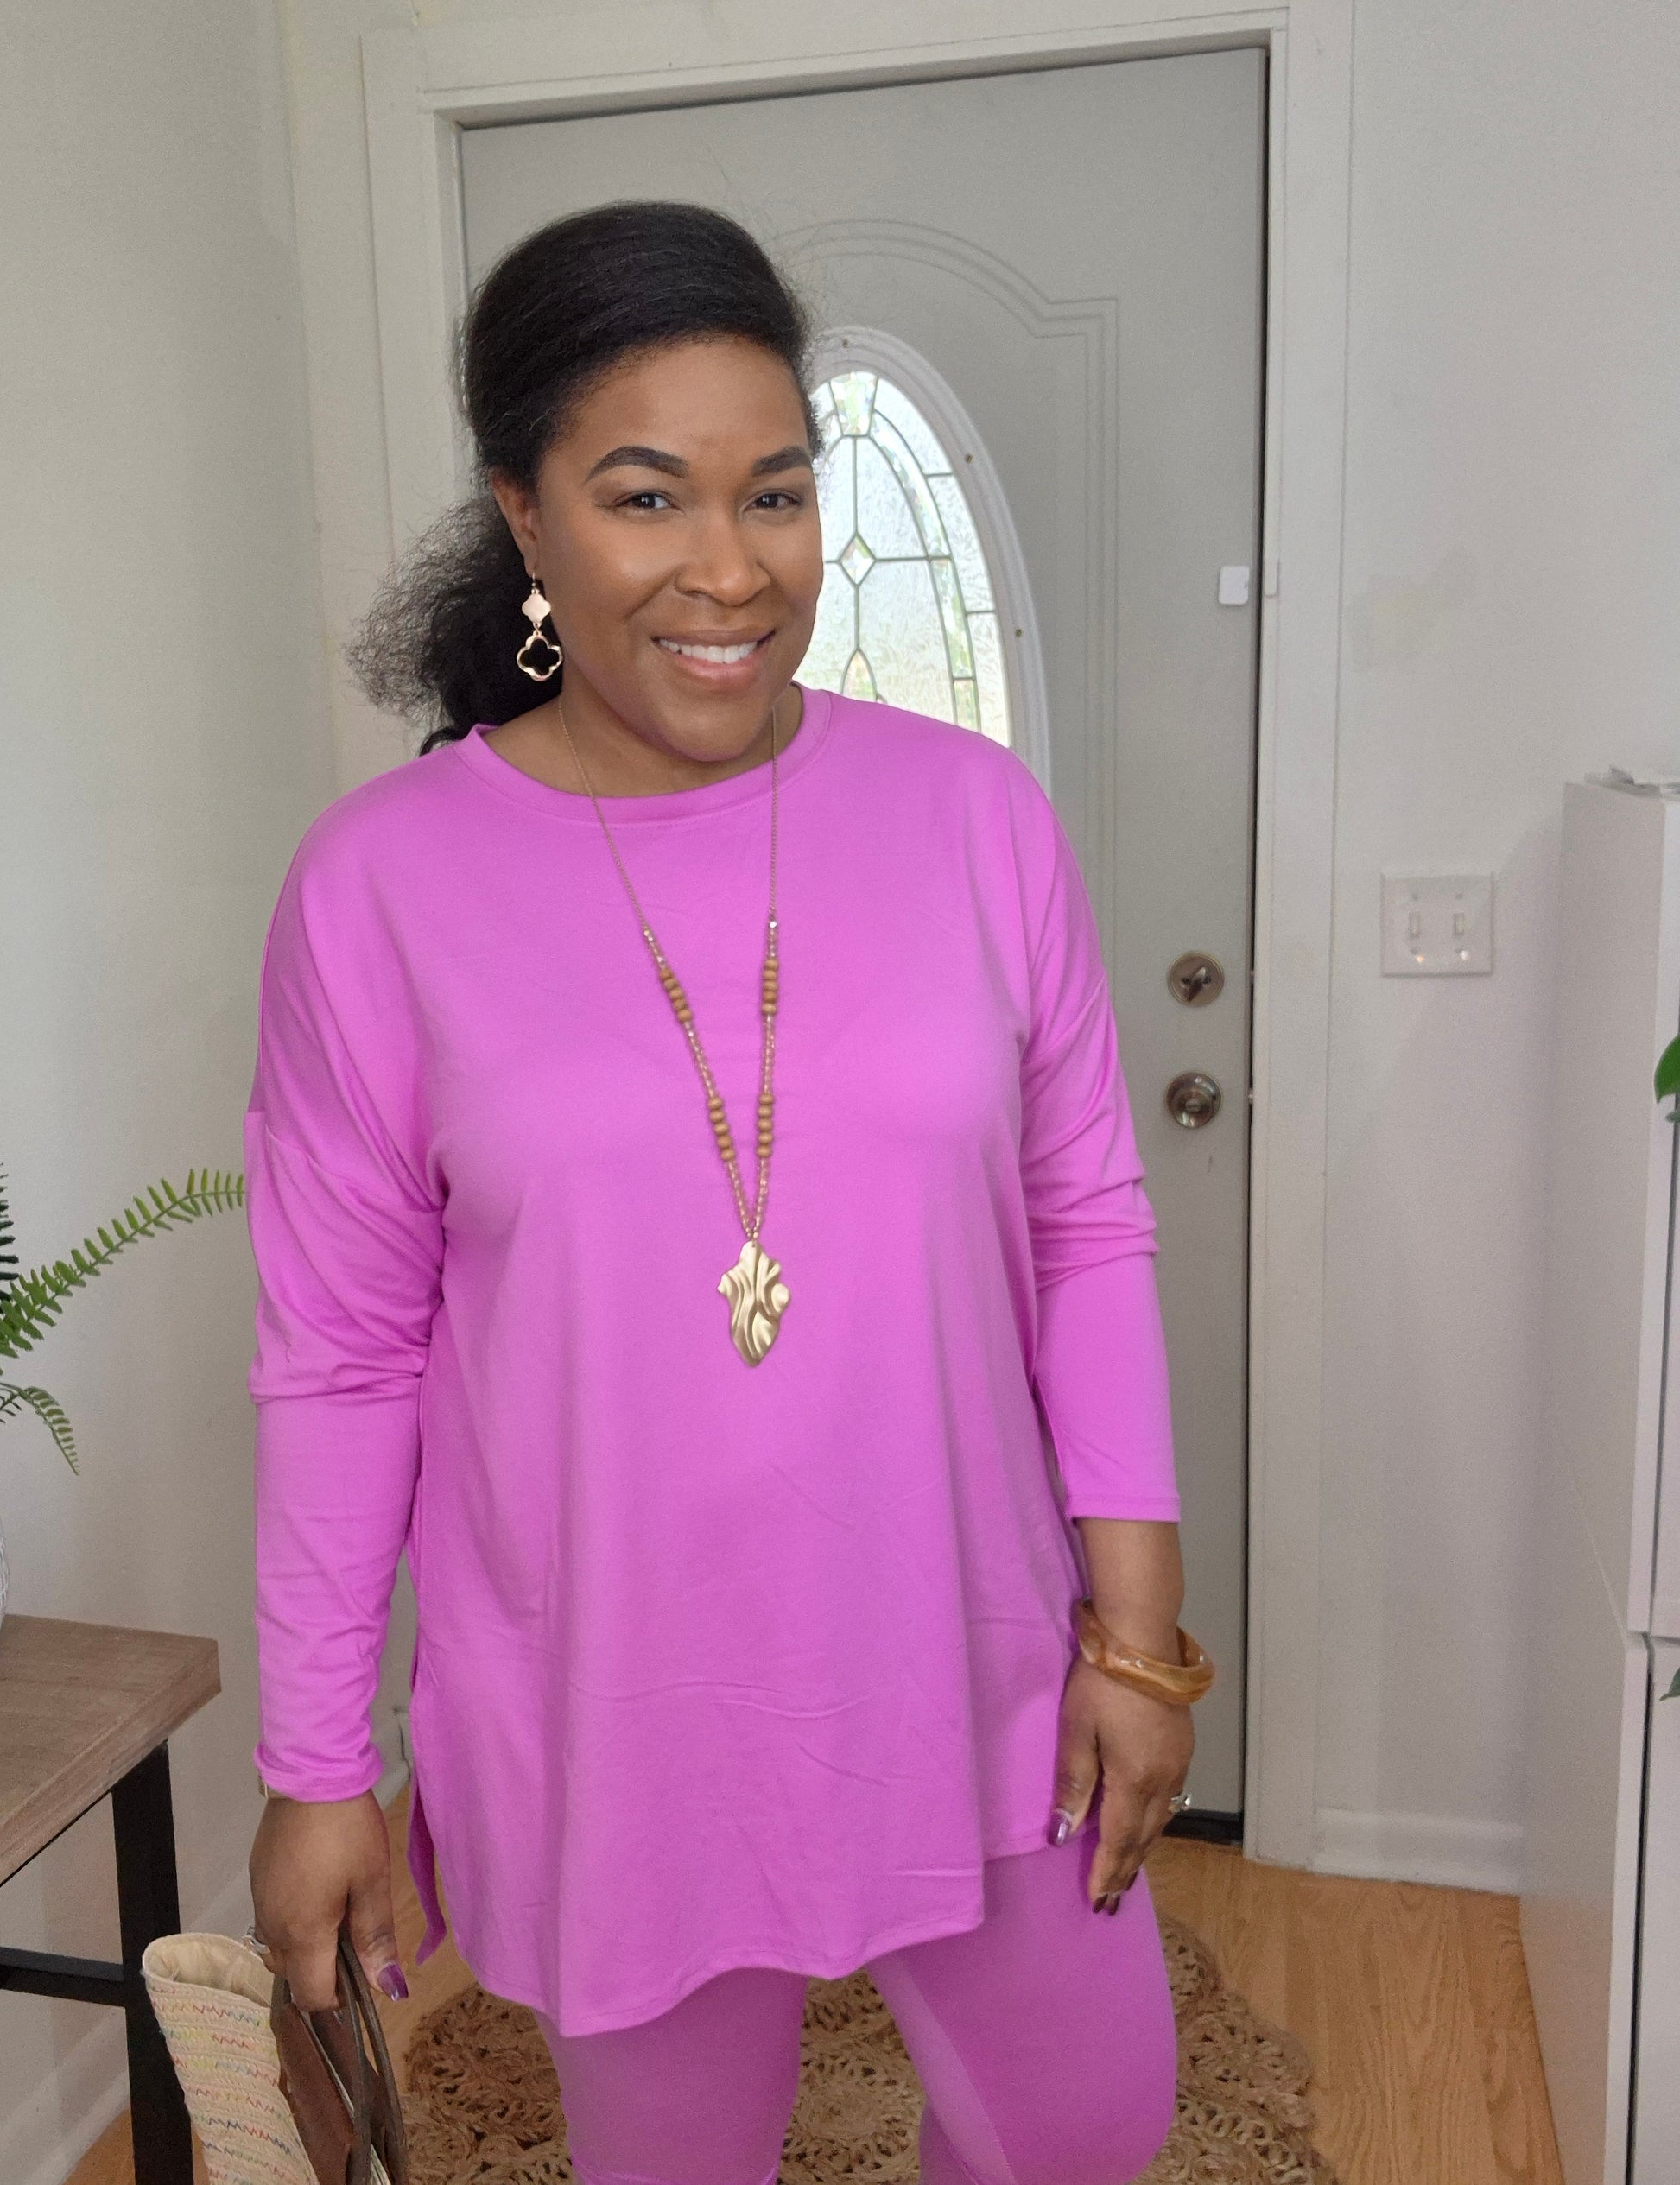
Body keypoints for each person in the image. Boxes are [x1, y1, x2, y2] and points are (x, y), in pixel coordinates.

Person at [244, 198, 1208, 2185]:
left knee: (1084, 2124)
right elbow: (340, 1360)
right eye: (644, 495)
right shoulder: (379, 888)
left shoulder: (973, 819)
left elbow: (1088, 1224)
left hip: (974, 1658)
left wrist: (1137, 1634)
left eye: (774, 490)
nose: (729, 565)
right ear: (524, 516)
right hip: (613, 1705)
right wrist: (317, 1763)